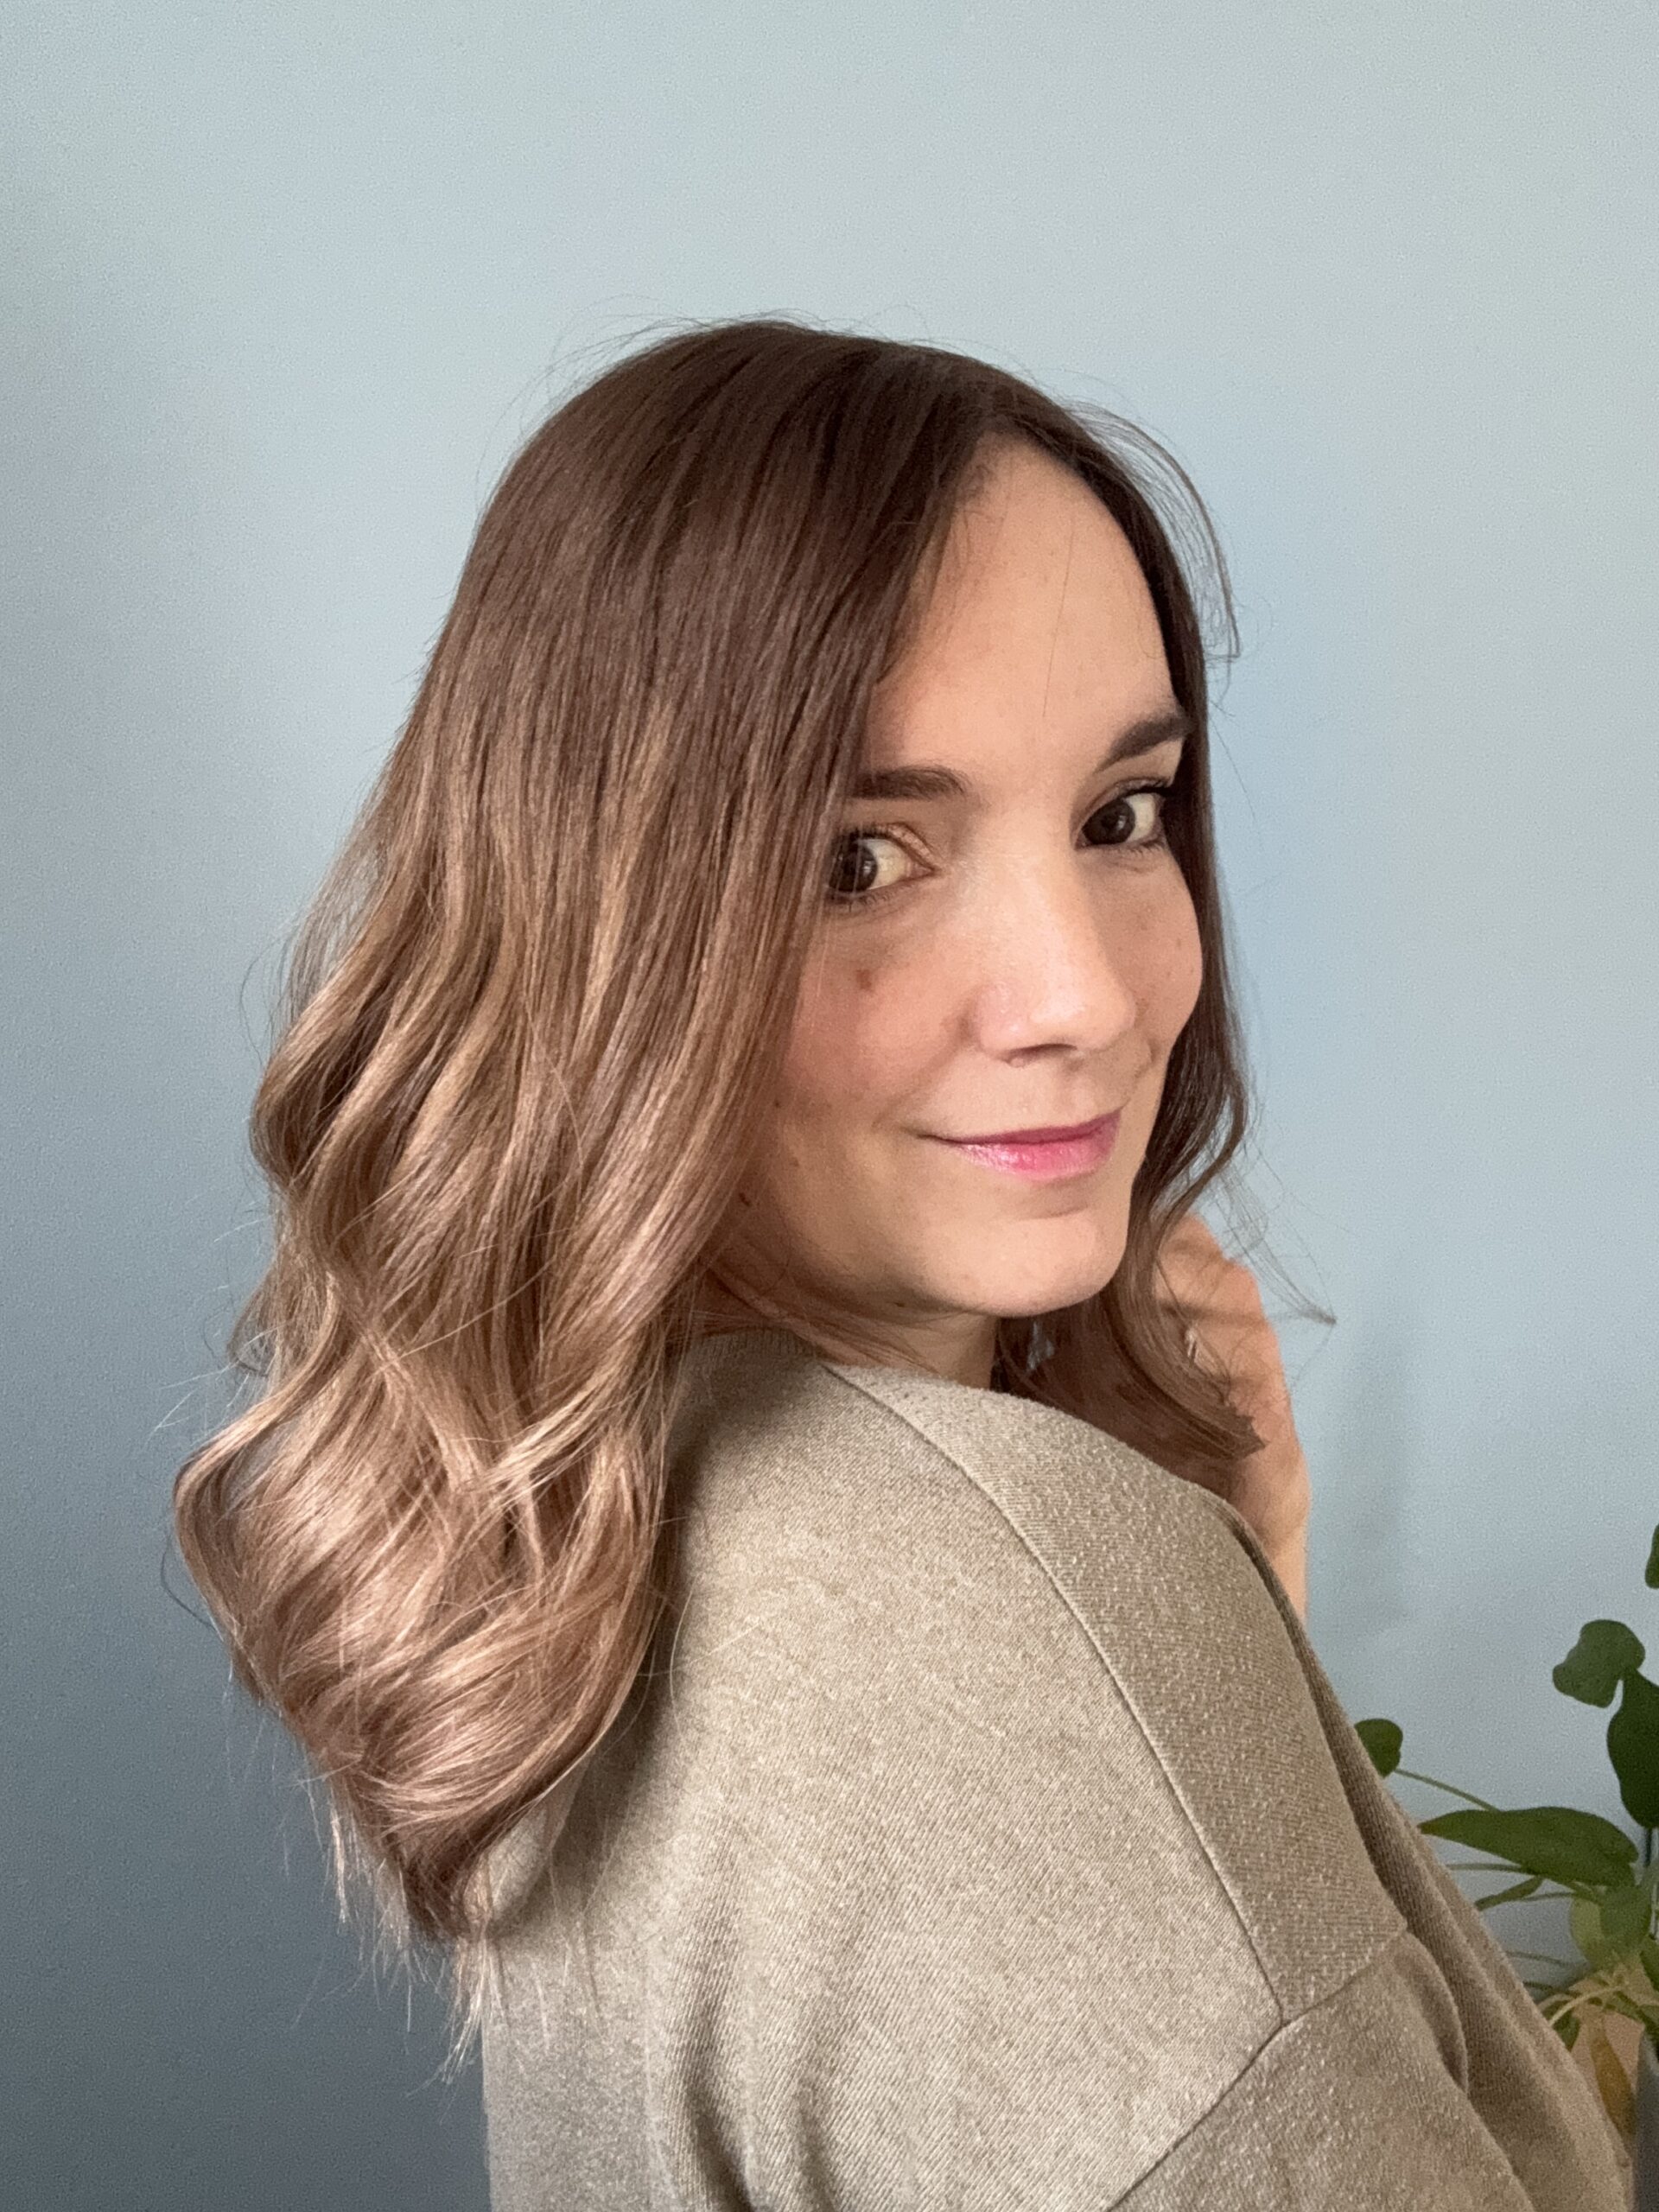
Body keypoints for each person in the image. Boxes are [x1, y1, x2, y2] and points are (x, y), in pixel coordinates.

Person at [173, 318, 1631, 2209]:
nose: (1085, 994)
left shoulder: (585, 1526)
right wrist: (1130, 1627)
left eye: (1121, 817)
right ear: (607, 932)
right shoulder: (1016, 1621)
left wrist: (1233, 1602)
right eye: (861, 858)